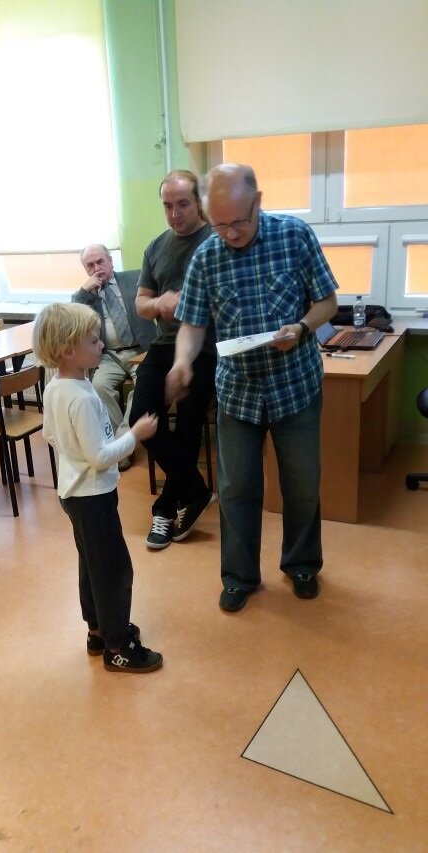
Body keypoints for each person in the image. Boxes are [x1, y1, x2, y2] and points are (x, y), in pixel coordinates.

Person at [166, 163, 339, 610]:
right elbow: (192, 325)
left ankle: (302, 564)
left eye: (239, 222)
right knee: (236, 489)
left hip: (294, 386)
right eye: (219, 224)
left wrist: (301, 328)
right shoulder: (207, 256)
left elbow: (328, 302)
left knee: (302, 485)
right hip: (238, 394)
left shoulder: (294, 236)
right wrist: (183, 361)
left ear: (258, 202)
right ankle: (239, 577)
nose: (230, 233)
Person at [32, 302, 163, 673]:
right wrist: (134, 435)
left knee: (92, 565)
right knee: (114, 572)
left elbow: (50, 435)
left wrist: (76, 453)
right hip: (92, 496)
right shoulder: (81, 397)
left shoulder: (56, 387)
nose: (101, 344)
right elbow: (101, 456)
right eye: (93, 340)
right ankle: (118, 646)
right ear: (66, 350)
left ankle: (98, 630)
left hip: (74, 494)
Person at [129, 169, 217, 550]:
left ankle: (165, 509)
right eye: (168, 206)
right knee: (141, 419)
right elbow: (141, 303)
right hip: (163, 344)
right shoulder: (155, 247)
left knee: (187, 429)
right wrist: (159, 303)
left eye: (182, 204)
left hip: (206, 348)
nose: (175, 214)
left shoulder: (216, 241)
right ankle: (196, 491)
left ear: (198, 202)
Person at [72, 244, 156, 471]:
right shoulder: (86, 295)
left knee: (142, 387)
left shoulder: (135, 279)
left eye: (100, 261)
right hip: (108, 355)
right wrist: (83, 293)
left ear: (110, 261)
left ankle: (123, 442)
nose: (97, 268)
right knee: (99, 386)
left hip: (142, 351)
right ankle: (118, 443)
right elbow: (72, 321)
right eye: (90, 265)